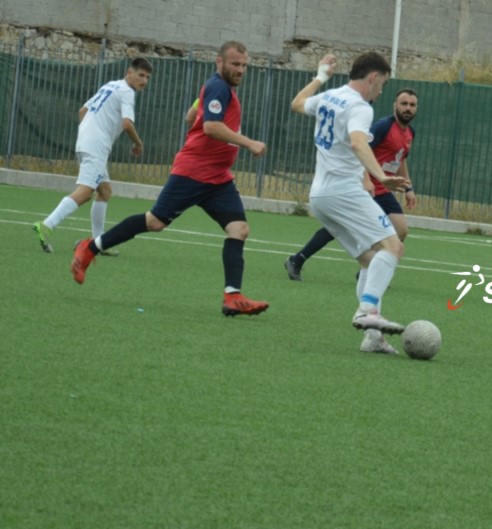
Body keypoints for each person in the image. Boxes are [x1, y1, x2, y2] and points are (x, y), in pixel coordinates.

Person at [71, 41, 270, 317]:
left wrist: (202, 109)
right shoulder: (219, 87)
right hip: (194, 172)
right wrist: (248, 142)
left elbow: (191, 117)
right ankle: (90, 247)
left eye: (244, 65)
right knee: (154, 222)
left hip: (218, 178)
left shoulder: (218, 88)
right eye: (235, 64)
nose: (240, 70)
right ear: (219, 62)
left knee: (239, 229)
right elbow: (211, 126)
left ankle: (232, 297)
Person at [290, 52, 411, 353]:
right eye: (382, 84)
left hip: (320, 195)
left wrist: (321, 77)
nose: (381, 91)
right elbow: (358, 142)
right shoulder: (360, 107)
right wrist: (380, 176)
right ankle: (367, 311)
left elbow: (297, 104)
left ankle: (372, 338)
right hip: (344, 192)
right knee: (393, 247)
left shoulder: (330, 96)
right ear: (373, 77)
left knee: (370, 260)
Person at [284, 88, 420, 281]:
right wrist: (366, 180)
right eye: (404, 104)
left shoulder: (409, 133)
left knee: (401, 230)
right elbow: (360, 149)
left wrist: (409, 188)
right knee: (337, 227)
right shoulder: (383, 127)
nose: (408, 108)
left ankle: (370, 266)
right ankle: (298, 260)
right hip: (365, 187)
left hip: (383, 189)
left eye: (412, 105)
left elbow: (401, 159)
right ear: (395, 106)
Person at [33, 57, 153, 254]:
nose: (144, 80)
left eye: (147, 77)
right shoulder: (127, 92)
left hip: (86, 142)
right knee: (85, 192)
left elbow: (83, 111)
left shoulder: (110, 85)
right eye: (141, 75)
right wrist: (138, 144)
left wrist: (90, 131)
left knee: (104, 191)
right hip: (96, 146)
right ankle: (47, 225)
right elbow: (127, 124)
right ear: (129, 73)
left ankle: (99, 243)